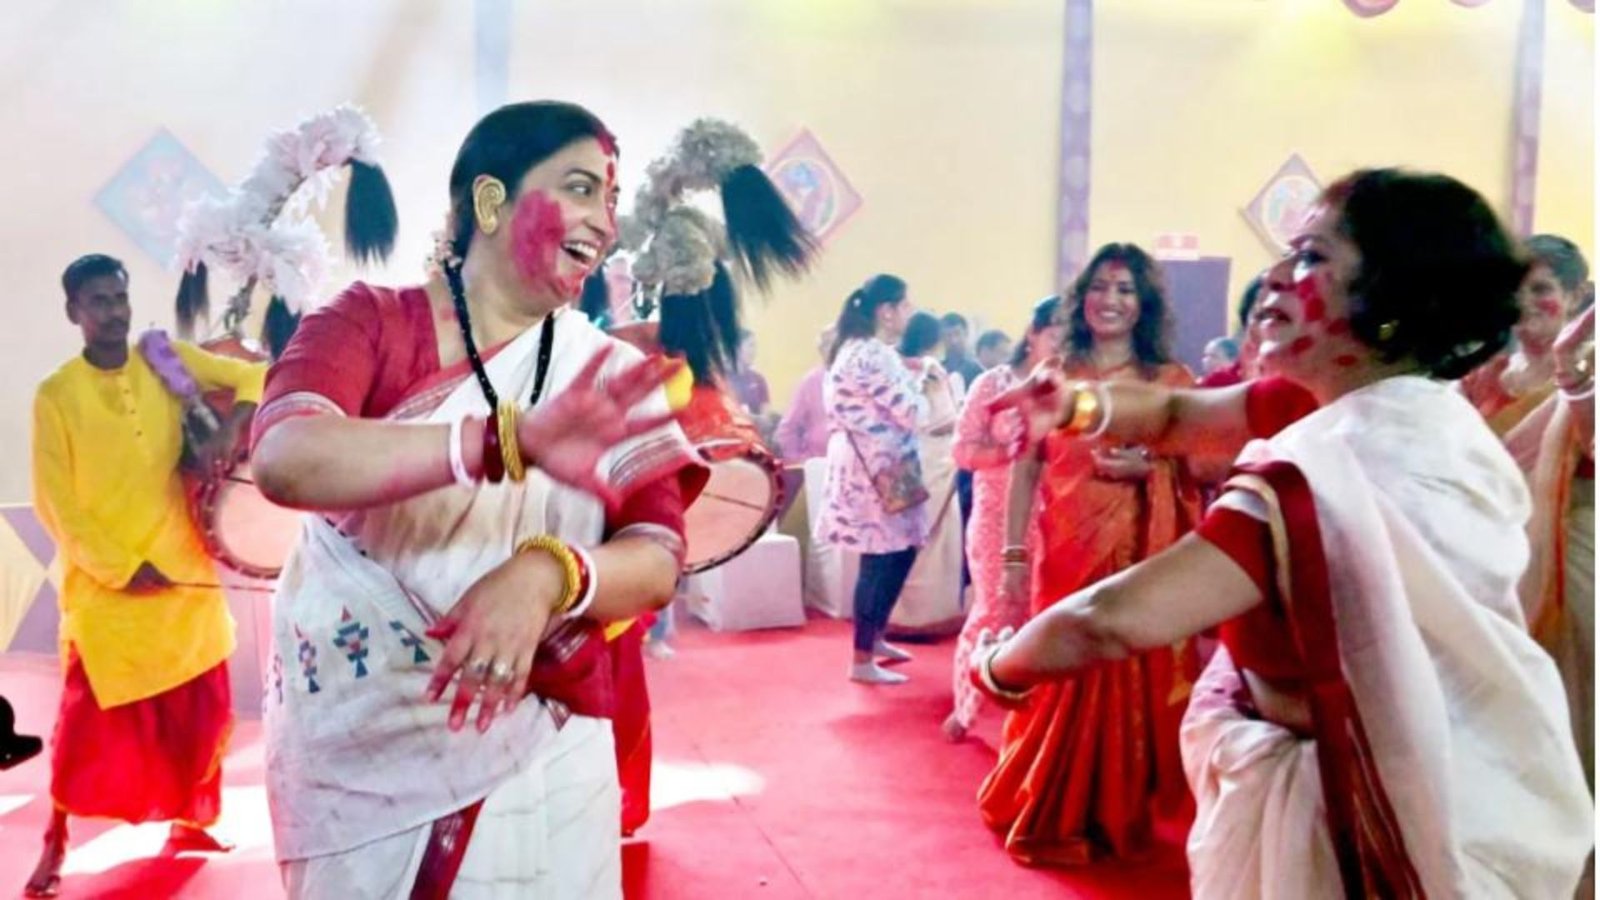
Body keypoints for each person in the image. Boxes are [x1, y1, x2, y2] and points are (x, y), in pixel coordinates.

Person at [975, 169, 1593, 897]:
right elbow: (1177, 417)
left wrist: (998, 669)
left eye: (1310, 257)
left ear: (1386, 305)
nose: (1272, 277)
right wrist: (1074, 403)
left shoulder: (1313, 477)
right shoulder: (1390, 405)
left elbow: (1108, 621)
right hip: (1441, 763)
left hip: (1344, 807)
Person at [252, 101, 705, 899]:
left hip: (545, 739)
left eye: (609, 197)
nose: (606, 222)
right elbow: (289, 459)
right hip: (360, 755)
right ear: (490, 201)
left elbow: (659, 556)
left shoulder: (601, 369)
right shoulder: (369, 322)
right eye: (578, 188)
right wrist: (502, 441)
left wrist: (548, 574)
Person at [26, 254, 265, 898]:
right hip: (109, 589)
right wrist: (123, 568)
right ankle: (56, 841)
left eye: (120, 299)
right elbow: (56, 504)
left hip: (183, 571)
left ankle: (190, 824)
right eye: (98, 302)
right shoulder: (56, 396)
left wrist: (232, 431)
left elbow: (259, 373)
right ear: (73, 312)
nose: (114, 313)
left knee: (202, 714)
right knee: (88, 733)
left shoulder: (164, 359)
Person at [976, 242, 1200, 866]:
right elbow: (1024, 471)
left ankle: (1114, 810)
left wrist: (1151, 464)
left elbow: (1200, 460)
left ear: (1144, 303)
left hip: (1140, 550)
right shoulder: (1055, 374)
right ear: (1083, 297)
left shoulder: (1170, 382)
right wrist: (1013, 562)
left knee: (1127, 669)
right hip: (1068, 548)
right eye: (1101, 287)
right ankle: (1051, 803)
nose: (1112, 300)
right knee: (1064, 664)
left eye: (1126, 289)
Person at [1495, 236, 1595, 791]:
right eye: (1517, 289)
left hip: (1573, 552)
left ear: (1578, 294)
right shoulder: (1487, 376)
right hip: (1491, 560)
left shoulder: (1589, 374)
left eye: (1542, 289)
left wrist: (1575, 378)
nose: (1526, 304)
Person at [942, 296, 1064, 741]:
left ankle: (1040, 721)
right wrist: (1006, 454)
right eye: (1055, 332)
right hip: (997, 517)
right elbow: (962, 449)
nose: (1063, 343)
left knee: (1046, 613)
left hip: (1060, 519)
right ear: (1033, 333)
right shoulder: (993, 385)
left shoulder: (1076, 390)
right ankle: (966, 710)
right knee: (993, 611)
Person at [818, 274, 930, 685]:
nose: (909, 313)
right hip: (875, 466)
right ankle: (862, 659)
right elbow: (913, 412)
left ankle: (875, 639)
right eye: (905, 306)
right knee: (880, 559)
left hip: (881, 462)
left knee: (898, 552)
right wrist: (923, 385)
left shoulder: (855, 349)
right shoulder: (873, 354)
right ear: (886, 311)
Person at [887, 312, 964, 638]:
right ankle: (928, 617)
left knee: (900, 538)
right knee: (936, 538)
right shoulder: (931, 369)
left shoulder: (890, 364)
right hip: (933, 458)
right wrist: (963, 417)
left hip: (899, 457)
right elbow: (941, 416)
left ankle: (893, 615)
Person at [775, 325, 836, 461]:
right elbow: (787, 429)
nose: (836, 350)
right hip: (819, 463)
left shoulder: (859, 379)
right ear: (822, 350)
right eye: (829, 345)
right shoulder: (810, 382)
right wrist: (798, 461)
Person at [730, 328, 771, 416]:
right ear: (737, 348)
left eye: (755, 346)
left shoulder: (759, 380)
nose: (754, 351)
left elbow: (766, 417)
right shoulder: (722, 380)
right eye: (750, 345)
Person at [940, 312, 984, 392]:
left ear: (966, 333)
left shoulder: (976, 370)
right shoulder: (937, 369)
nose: (954, 341)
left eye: (957, 334)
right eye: (948, 335)